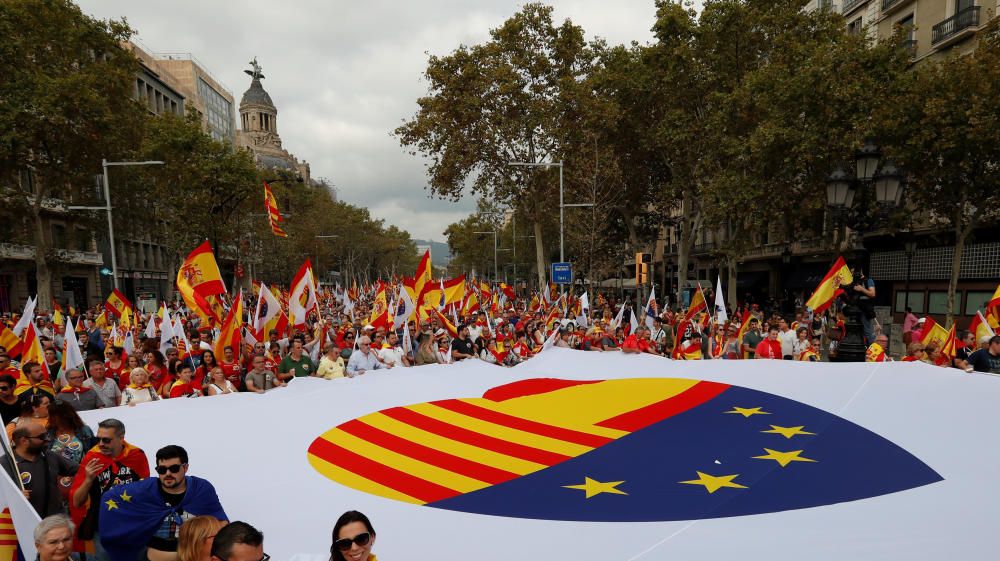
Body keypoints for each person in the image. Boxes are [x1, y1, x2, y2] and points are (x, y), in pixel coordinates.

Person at [98, 445, 228, 561]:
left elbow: (222, 524)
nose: (168, 474)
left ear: (185, 467)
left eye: (174, 468)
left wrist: (199, 536)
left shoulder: (200, 489)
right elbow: (110, 497)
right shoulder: (146, 489)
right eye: (162, 470)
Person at [69, 418, 150, 559]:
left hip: (133, 526)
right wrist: (88, 479)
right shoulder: (92, 458)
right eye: (98, 439)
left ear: (121, 438)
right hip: (103, 527)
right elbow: (76, 501)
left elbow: (146, 492)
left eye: (106, 440)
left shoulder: (136, 455)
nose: (100, 444)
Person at [3, 421, 78, 517]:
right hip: (25, 523)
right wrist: (14, 497)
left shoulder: (49, 455)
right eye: (41, 437)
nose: (47, 440)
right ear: (24, 440)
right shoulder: (5, 464)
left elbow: (79, 470)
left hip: (56, 522)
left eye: (47, 435)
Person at [47, 401, 96, 468]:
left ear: (66, 415)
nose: (50, 418)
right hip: (56, 475)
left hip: (82, 473)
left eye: (55, 415)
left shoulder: (84, 430)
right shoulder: (48, 433)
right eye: (50, 415)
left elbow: (94, 452)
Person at [853, 270, 877, 345]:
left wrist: (861, 289)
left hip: (865, 309)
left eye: (853, 272)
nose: (852, 274)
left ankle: (873, 350)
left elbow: (872, 293)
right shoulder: (854, 282)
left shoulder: (868, 280)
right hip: (855, 309)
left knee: (867, 331)